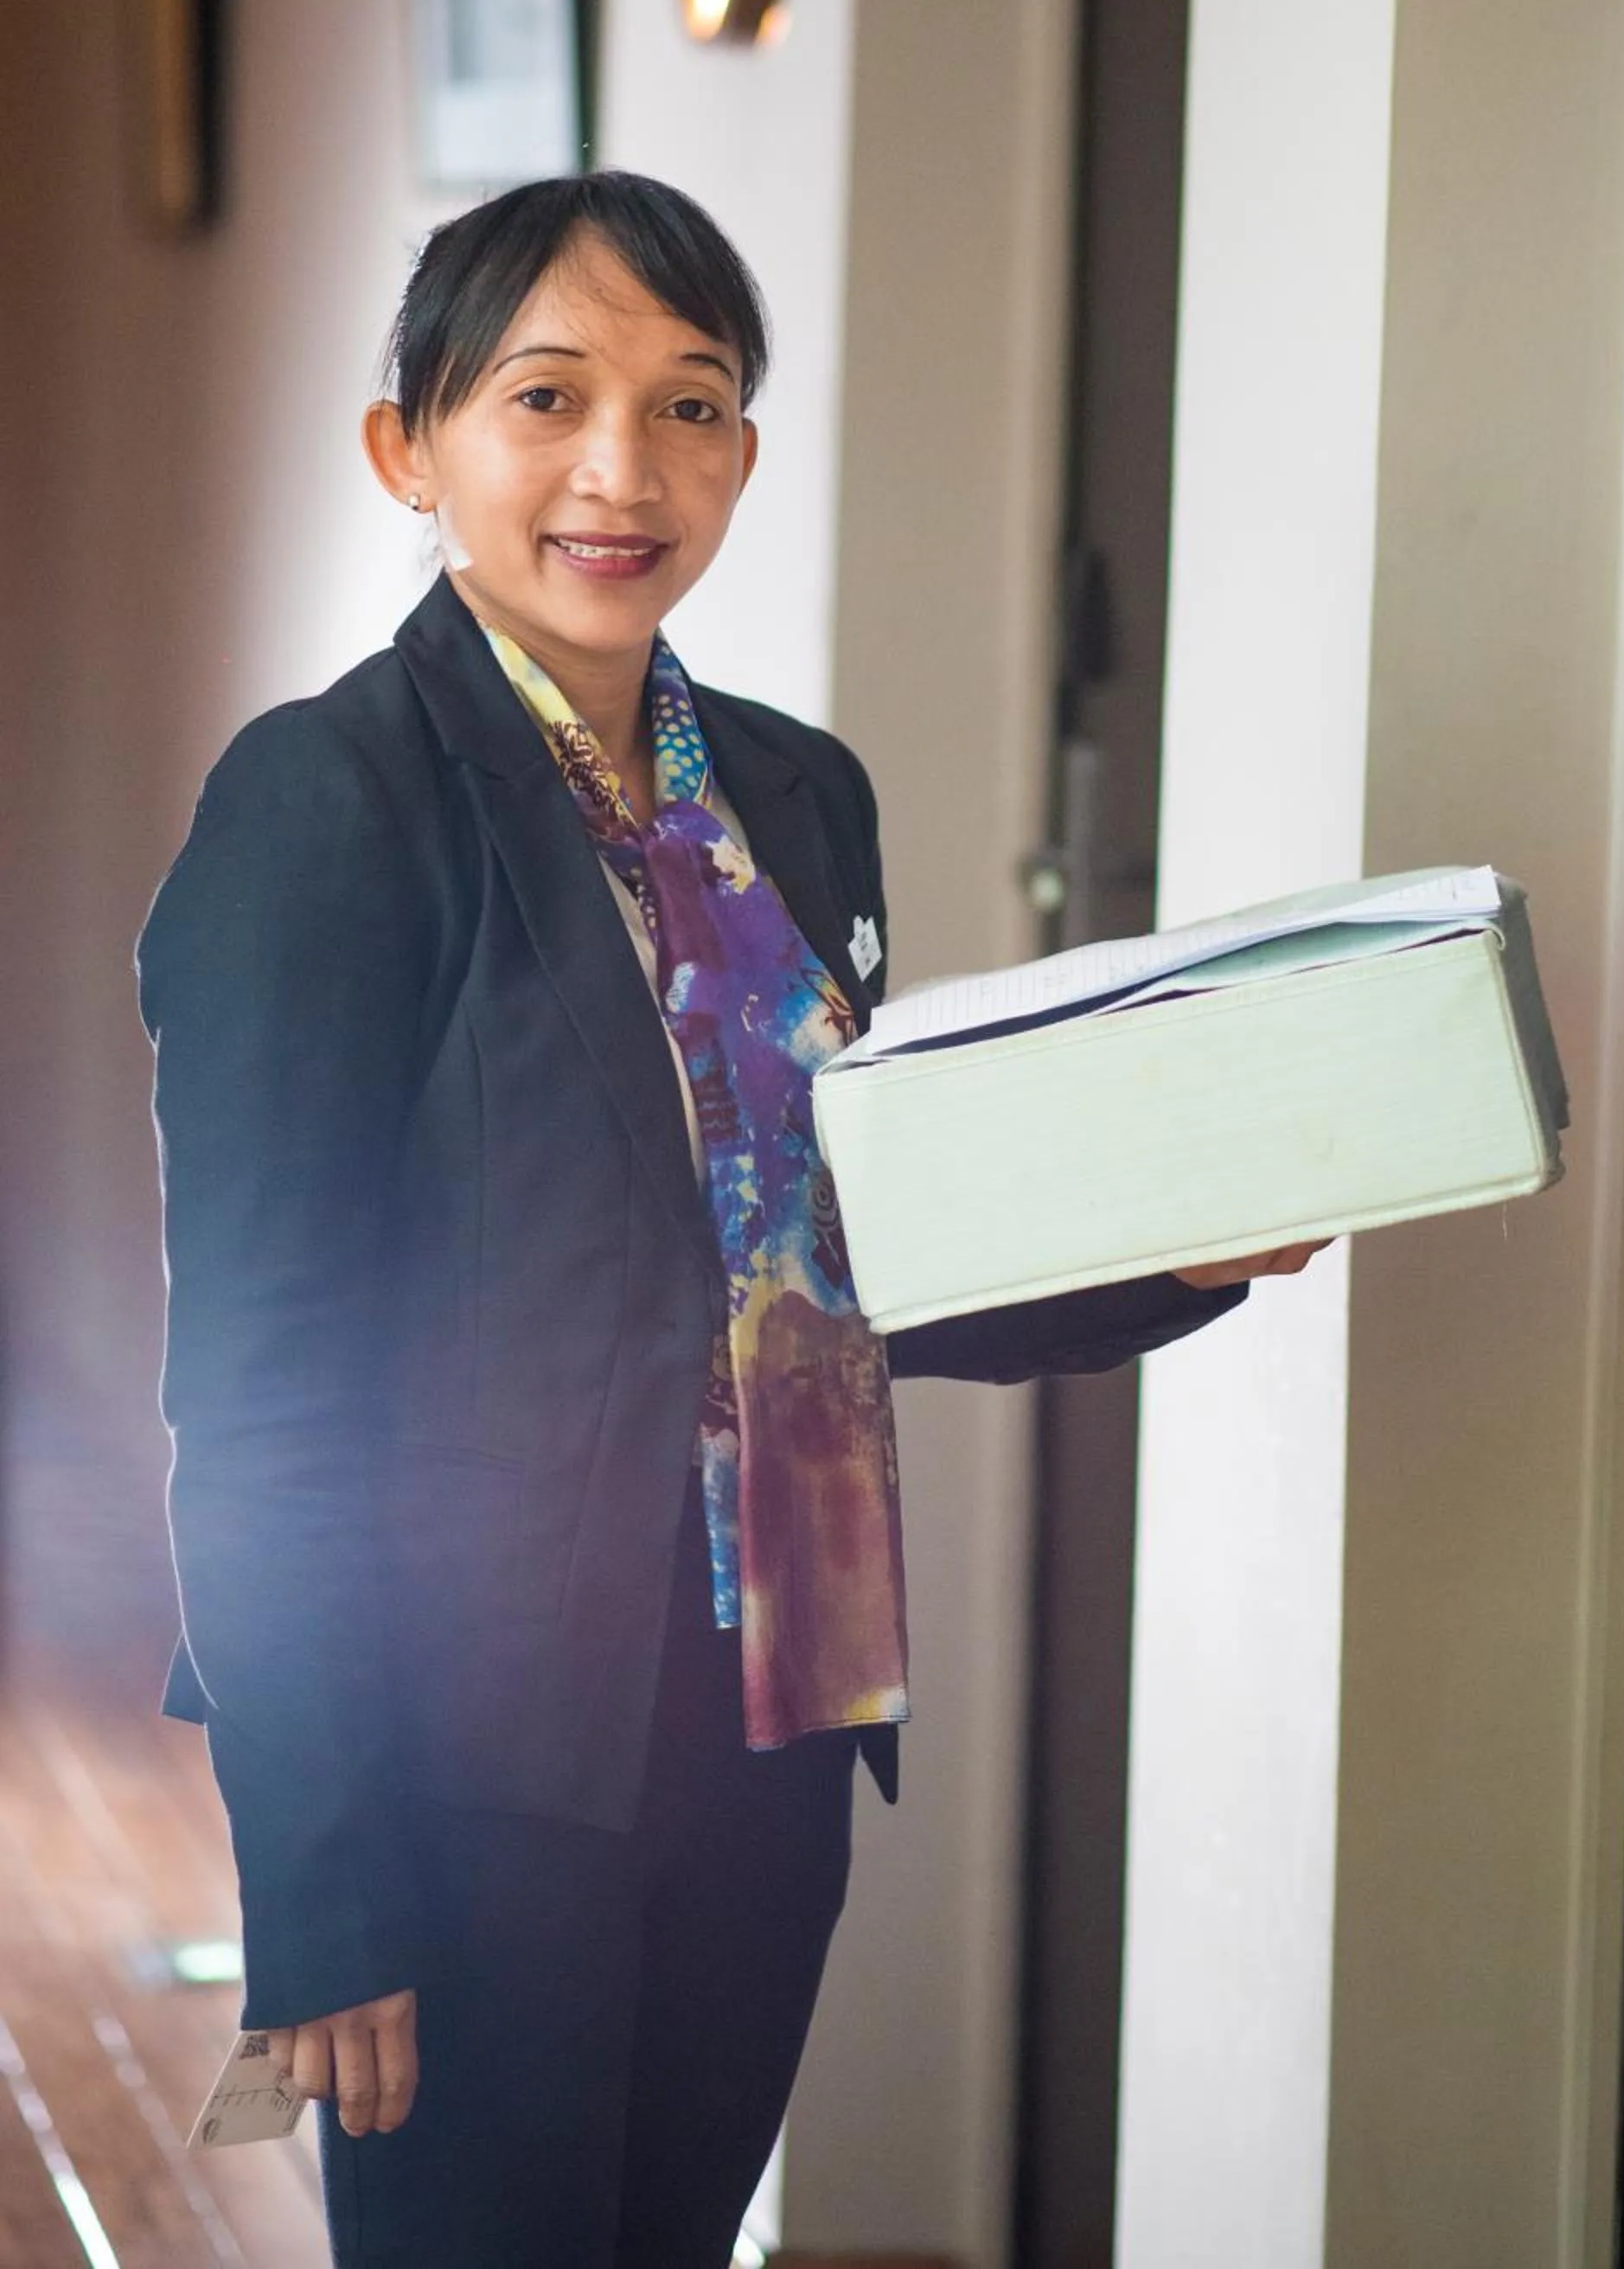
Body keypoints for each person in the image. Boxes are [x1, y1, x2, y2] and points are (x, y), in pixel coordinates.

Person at [137, 170, 1322, 2268]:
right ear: (408, 444)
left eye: (690, 405)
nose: (624, 467)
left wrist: (1176, 1255)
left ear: (745, 456)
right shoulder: (325, 802)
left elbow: (833, 1255)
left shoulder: (793, 795)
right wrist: (324, 1889)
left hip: (772, 1718)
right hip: (470, 1760)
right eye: (546, 396)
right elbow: (259, 1392)